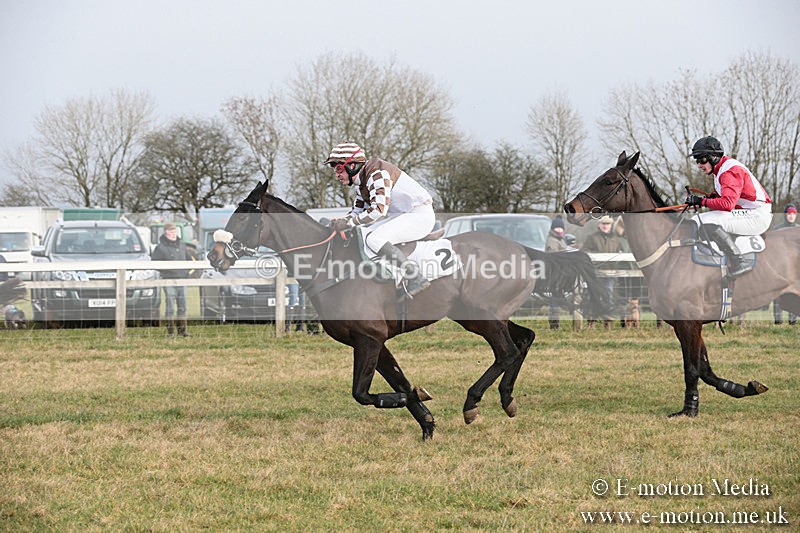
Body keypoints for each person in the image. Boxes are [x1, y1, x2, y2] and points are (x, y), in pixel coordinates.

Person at [325, 142, 435, 297]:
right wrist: (340, 222)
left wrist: (348, 223)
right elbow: (357, 212)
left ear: (352, 166)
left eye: (338, 169)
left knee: (375, 239)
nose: (337, 175)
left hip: (419, 216)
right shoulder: (362, 182)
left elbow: (378, 211)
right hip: (403, 216)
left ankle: (415, 276)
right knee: (362, 235)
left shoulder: (377, 174)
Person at [684, 136, 772, 279]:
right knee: (698, 219)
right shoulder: (720, 169)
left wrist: (701, 201)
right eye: (697, 160)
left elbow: (727, 204)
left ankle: (740, 262)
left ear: (713, 157)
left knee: (703, 221)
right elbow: (727, 196)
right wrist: (704, 200)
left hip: (757, 216)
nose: (699, 165)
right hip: (749, 212)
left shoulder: (729, 171)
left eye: (702, 160)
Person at [151, 222, 195, 337]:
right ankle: (170, 332)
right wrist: (167, 271)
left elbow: (190, 260)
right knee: (170, 307)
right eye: (171, 231)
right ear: (166, 233)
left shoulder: (182, 246)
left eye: (175, 231)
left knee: (183, 307)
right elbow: (155, 264)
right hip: (169, 280)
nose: (173, 234)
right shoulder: (160, 248)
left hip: (182, 280)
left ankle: (182, 331)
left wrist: (186, 273)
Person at [581, 215, 622, 328]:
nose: (605, 226)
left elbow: (620, 253)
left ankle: (607, 323)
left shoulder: (616, 240)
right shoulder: (592, 238)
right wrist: (594, 259)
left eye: (607, 224)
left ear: (611, 225)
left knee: (609, 297)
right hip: (595, 274)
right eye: (603, 224)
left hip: (610, 274)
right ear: (599, 225)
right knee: (593, 297)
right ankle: (591, 323)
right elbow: (584, 251)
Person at [771, 203, 797, 325]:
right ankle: (778, 320)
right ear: (785, 215)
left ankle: (793, 320)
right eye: (789, 213)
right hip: (779, 267)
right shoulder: (777, 229)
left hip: (794, 268)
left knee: (794, 293)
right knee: (778, 293)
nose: (791, 216)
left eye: (793, 214)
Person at [545, 216, 570, 330]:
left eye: (561, 228)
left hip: (560, 273)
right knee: (554, 300)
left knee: (557, 298)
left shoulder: (560, 239)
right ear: (553, 229)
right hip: (555, 274)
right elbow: (553, 257)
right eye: (557, 228)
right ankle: (554, 324)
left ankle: (555, 323)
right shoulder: (552, 241)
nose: (559, 230)